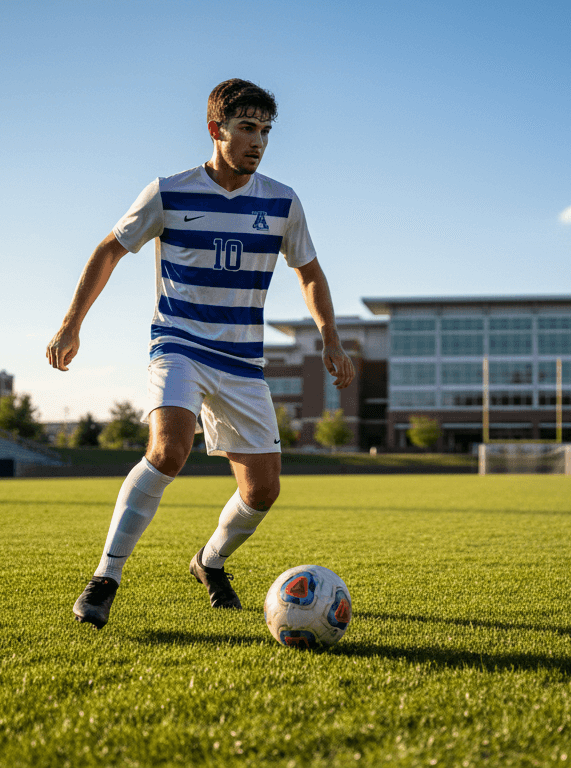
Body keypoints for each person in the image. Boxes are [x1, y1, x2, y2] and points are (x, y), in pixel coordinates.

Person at [47, 79, 355, 630]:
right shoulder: (168, 192)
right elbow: (108, 251)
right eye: (246, 128)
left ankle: (208, 563)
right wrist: (72, 325)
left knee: (263, 491)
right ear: (217, 130)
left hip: (242, 361)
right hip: (180, 344)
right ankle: (105, 577)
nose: (257, 141)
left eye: (265, 131)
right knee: (169, 449)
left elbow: (308, 271)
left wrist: (329, 335)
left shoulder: (283, 202)